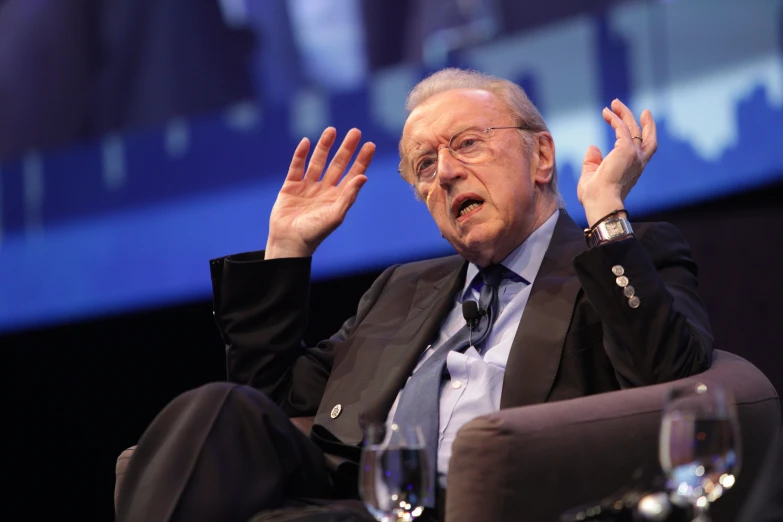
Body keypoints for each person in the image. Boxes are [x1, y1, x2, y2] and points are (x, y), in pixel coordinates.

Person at [115, 68, 714, 522]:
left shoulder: (618, 261)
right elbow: (269, 403)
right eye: (424, 165)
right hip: (353, 502)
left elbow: (669, 381)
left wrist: (606, 215)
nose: (446, 173)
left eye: (468, 144)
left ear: (541, 155)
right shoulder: (403, 289)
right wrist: (287, 249)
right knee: (221, 409)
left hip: (500, 504)